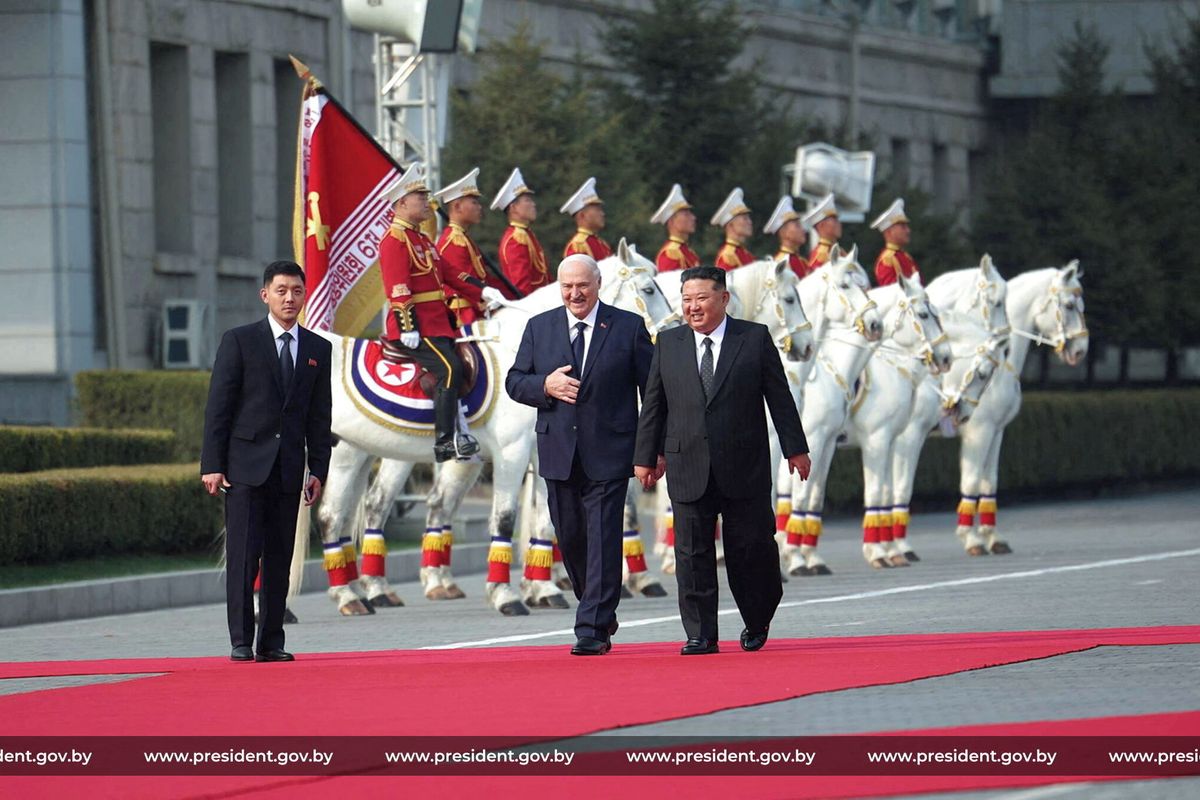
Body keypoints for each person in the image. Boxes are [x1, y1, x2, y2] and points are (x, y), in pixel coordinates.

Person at [633, 266, 811, 655]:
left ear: (724, 298)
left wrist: (795, 448)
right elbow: (654, 405)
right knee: (691, 554)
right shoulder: (668, 343)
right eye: (686, 300)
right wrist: (646, 456)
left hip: (744, 465)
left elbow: (779, 397)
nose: (693, 307)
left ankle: (758, 617)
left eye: (701, 298)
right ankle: (701, 634)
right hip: (687, 463)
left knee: (751, 549)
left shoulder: (754, 338)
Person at [505, 254, 654, 656]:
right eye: (567, 286)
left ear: (598, 284)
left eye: (582, 285)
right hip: (558, 453)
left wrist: (652, 449)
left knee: (604, 538)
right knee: (570, 537)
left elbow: (652, 393)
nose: (575, 293)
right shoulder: (540, 327)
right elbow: (515, 382)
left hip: (610, 452)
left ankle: (591, 628)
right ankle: (598, 606)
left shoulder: (628, 327)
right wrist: (545, 386)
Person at [200, 260, 333, 663]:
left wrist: (318, 469)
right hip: (244, 468)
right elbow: (219, 408)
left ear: (304, 296)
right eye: (281, 290)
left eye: (296, 291)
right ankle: (241, 640)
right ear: (265, 295)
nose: (289, 298)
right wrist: (212, 463)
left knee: (279, 559)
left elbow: (319, 416)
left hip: (289, 469)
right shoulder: (239, 341)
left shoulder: (317, 349)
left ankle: (272, 641)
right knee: (244, 557)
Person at [380, 162, 506, 462]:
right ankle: (445, 441)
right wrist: (407, 326)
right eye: (420, 197)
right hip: (416, 327)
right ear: (402, 203)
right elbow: (398, 287)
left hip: (437, 324)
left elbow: (451, 274)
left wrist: (482, 290)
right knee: (449, 369)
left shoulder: (421, 239)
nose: (428, 201)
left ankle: (465, 430)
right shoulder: (394, 240)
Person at [435, 167, 517, 326]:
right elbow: (464, 282)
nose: (479, 207)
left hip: (477, 310)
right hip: (465, 316)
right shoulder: (453, 242)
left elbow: (484, 278)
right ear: (457, 206)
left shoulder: (464, 238)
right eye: (474, 202)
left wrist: (511, 298)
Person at [492, 167, 551, 296]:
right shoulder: (515, 239)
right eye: (527, 200)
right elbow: (521, 285)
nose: (533, 204)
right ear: (514, 208)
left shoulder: (526, 234)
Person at [651, 184, 701, 273]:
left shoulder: (689, 251)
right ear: (671, 222)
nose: (693, 218)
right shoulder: (670, 253)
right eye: (686, 214)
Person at [561, 177, 613, 260]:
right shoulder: (578, 246)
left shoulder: (603, 244)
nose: (602, 214)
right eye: (597, 210)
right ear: (582, 215)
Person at [871, 198, 921, 286]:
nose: (908, 230)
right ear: (889, 232)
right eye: (903, 227)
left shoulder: (906, 257)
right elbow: (891, 292)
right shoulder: (887, 260)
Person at [711, 188, 756, 270]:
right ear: (730, 225)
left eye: (749, 218)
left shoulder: (746, 254)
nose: (750, 222)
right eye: (745, 218)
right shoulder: (728, 256)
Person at [764, 195, 808, 279]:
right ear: (784, 233)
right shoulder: (780, 263)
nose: (803, 230)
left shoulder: (803, 262)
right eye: (797, 226)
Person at [803, 193, 841, 272]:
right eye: (834, 220)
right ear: (821, 226)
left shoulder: (837, 250)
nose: (839, 224)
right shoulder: (821, 255)